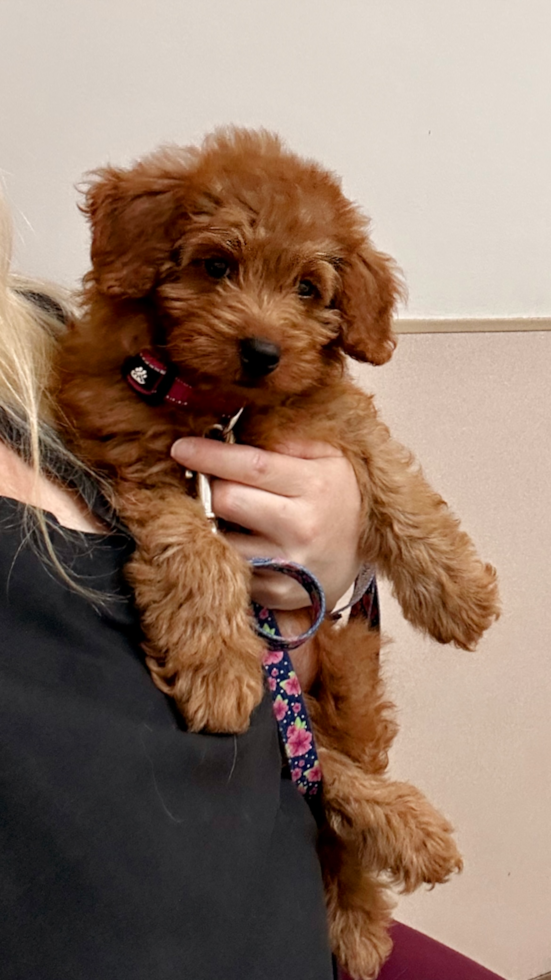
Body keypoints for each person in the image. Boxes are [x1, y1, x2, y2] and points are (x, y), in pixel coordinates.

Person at [0, 194, 507, 980]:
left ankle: (352, 874)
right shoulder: (103, 376)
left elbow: (288, 686)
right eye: (215, 268)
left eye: (307, 289)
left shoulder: (41, 344)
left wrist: (325, 577)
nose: (260, 323)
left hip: (276, 869)